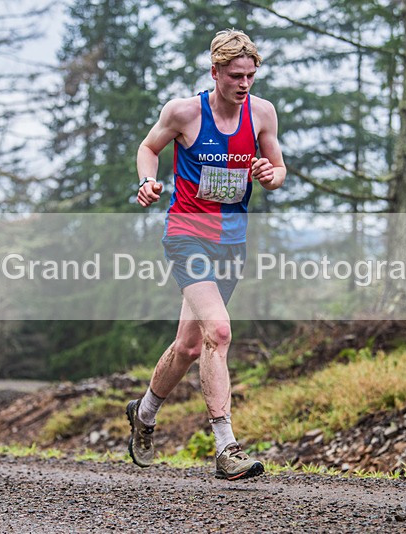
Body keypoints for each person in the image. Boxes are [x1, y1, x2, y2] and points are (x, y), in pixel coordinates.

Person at [127, 29, 286, 480]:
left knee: (189, 345)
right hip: (186, 236)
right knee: (218, 331)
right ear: (215, 71)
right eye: (236, 75)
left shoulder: (262, 114)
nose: (245, 84)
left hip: (231, 243)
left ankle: (144, 413)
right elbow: (148, 148)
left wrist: (268, 174)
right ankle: (225, 448)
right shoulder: (184, 112)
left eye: (251, 75)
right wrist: (147, 182)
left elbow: (278, 169)